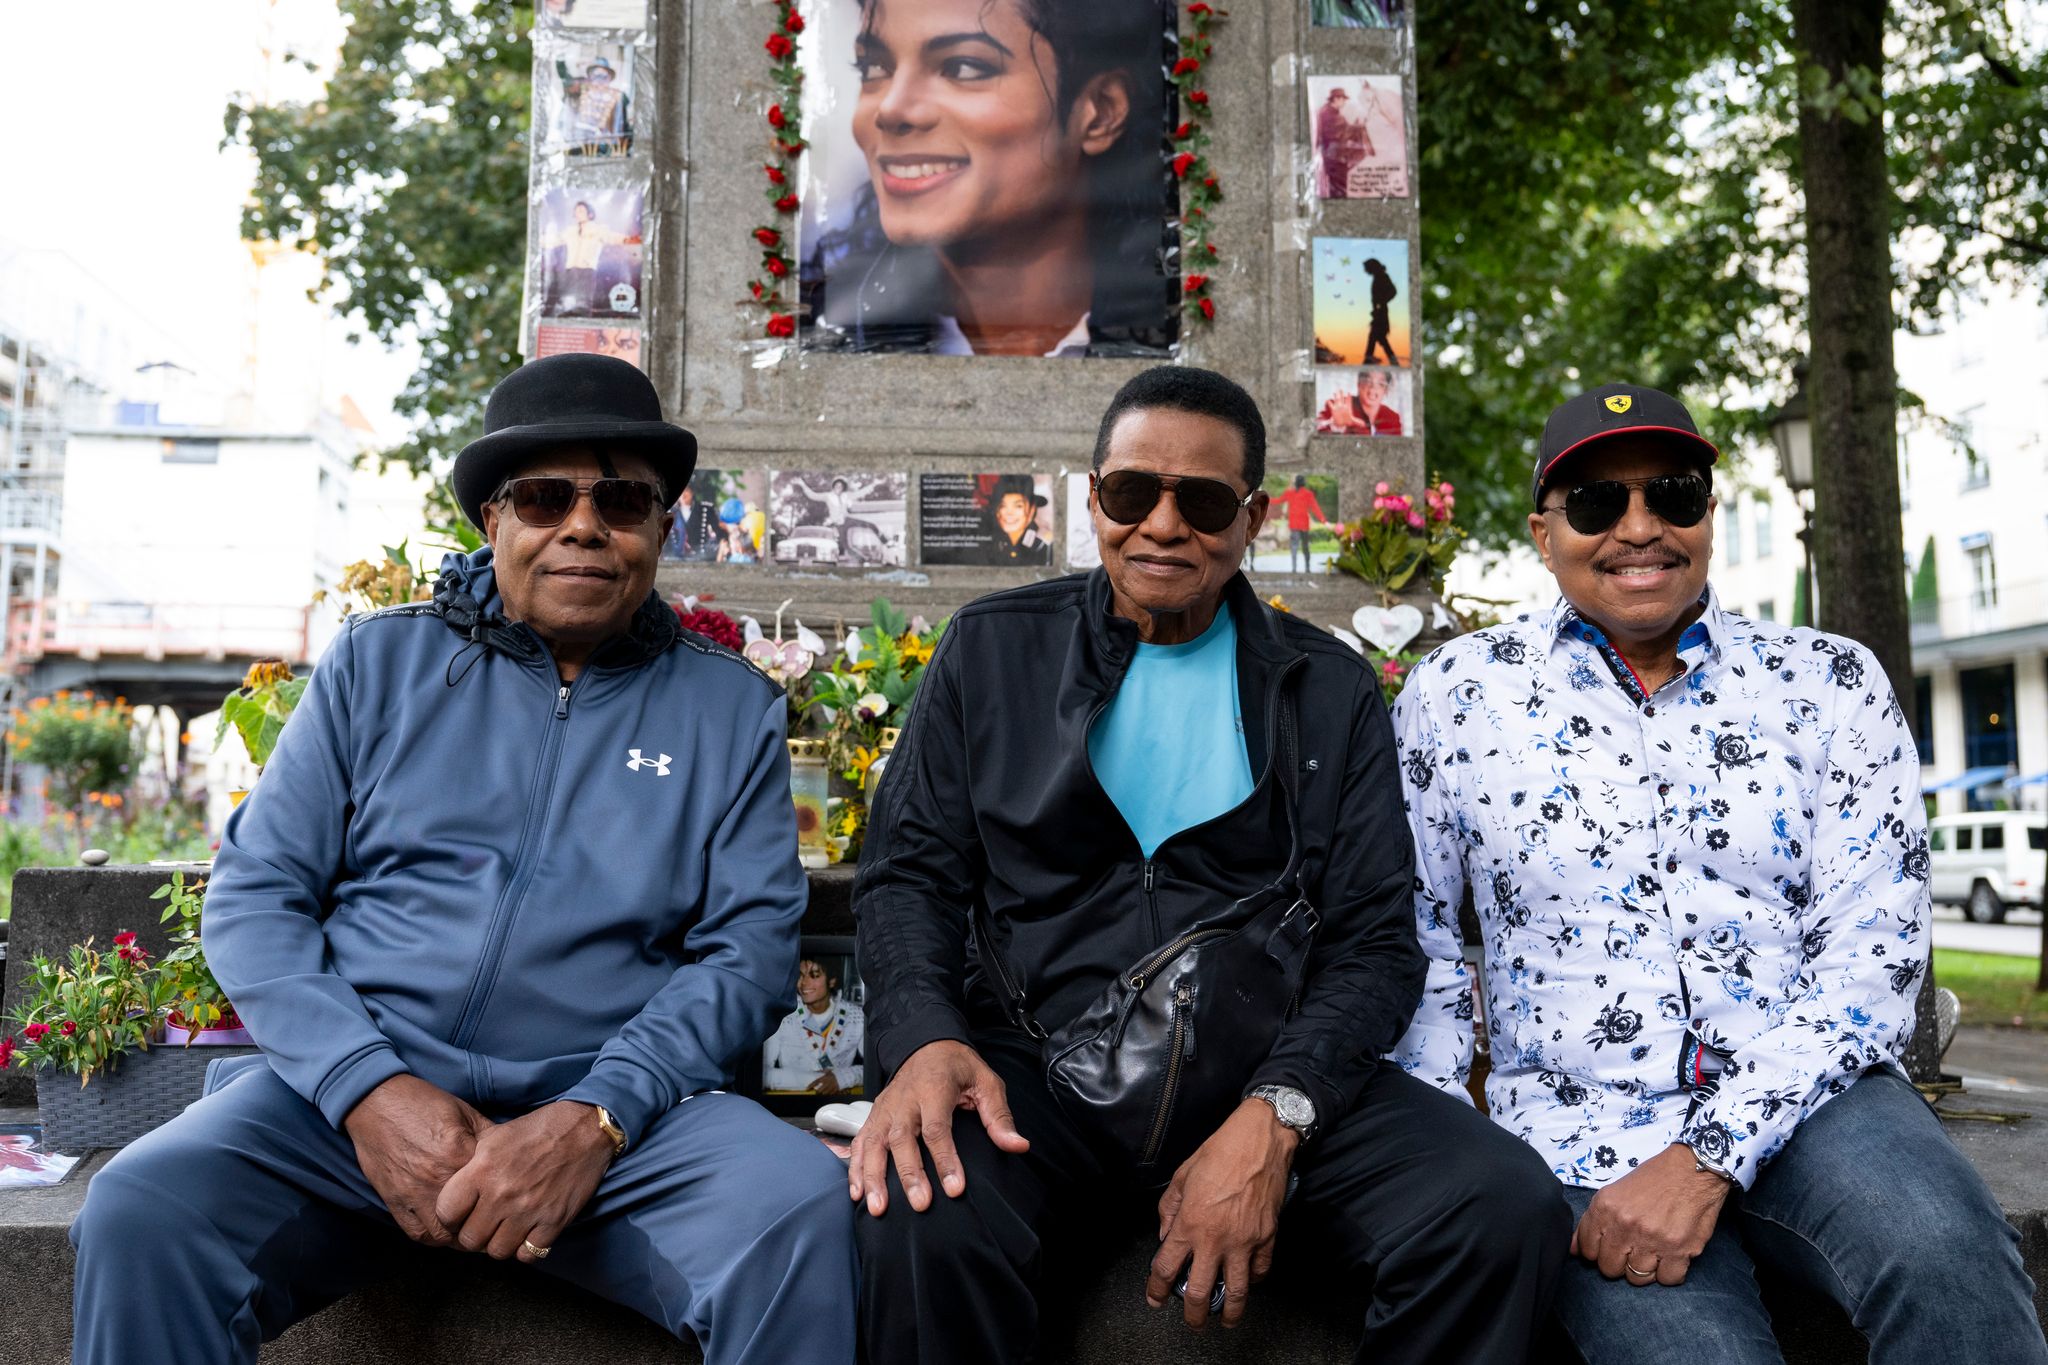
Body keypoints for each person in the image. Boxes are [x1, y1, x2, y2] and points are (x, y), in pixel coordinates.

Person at [69, 353, 856, 1365]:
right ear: (493, 521)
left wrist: (596, 1118)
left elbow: (747, 953)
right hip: (347, 1113)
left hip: (619, 1131)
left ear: (663, 527)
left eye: (621, 499)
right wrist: (366, 1089)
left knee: (800, 1218)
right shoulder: (378, 662)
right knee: (141, 1209)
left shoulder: (728, 706)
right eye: (542, 496)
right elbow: (258, 895)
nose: (583, 525)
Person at [851, 366, 1569, 1363]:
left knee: (1498, 1208)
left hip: (1252, 1069)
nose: (1160, 525)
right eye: (1130, 492)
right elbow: (907, 877)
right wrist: (924, 1040)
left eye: (1199, 501)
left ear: (1251, 516)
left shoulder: (1325, 685)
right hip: (1033, 1072)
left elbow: (1372, 943)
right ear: (1090, 494)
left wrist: (1274, 1117)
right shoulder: (990, 649)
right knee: (920, 1210)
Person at [1388, 381, 2048, 1365]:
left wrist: (1707, 1157)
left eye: (1673, 494)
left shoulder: (1829, 681)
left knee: (1946, 1259)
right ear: (1540, 532)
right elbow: (1417, 934)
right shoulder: (1456, 693)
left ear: (1709, 510)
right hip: (1581, 1124)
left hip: (1816, 1099)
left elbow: (1872, 957)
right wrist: (1446, 1157)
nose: (1638, 528)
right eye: (1596, 503)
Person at [800, 0, 1178, 357]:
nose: (891, 109)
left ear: (1101, 112)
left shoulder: (1186, 343)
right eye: (875, 69)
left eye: (963, 67)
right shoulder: (818, 332)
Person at [763, 958, 867, 1095]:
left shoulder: (856, 1016)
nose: (804, 983)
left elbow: (874, 1071)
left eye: (814, 975)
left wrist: (844, 1078)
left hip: (836, 1106)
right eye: (800, 975)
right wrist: (821, 1080)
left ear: (832, 981)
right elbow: (762, 1074)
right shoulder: (783, 1015)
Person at [542, 199, 633, 315]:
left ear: (589, 214)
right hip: (570, 270)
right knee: (567, 301)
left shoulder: (598, 230)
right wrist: (539, 240)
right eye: (576, 211)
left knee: (584, 303)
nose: (578, 213)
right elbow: (555, 240)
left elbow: (613, 237)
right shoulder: (570, 231)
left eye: (581, 210)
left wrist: (630, 239)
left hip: (587, 270)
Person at [556, 55, 631, 155]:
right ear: (590, 77)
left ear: (609, 78)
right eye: (596, 75)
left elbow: (619, 126)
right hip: (579, 144)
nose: (600, 80)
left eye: (604, 76)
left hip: (604, 147)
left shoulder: (617, 97)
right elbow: (566, 79)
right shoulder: (582, 90)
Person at [1266, 475, 1329, 574]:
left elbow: (1277, 501)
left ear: (1296, 483)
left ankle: (1294, 569)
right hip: (1304, 525)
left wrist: (1265, 499)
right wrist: (1324, 521)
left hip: (1294, 525)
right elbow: (1315, 508)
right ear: (1303, 483)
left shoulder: (1289, 493)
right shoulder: (1309, 494)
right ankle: (1307, 568)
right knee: (1305, 547)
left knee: (1294, 546)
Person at [985, 473, 1052, 565]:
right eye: (1002, 506)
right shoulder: (990, 541)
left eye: (1018, 506)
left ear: (1032, 510)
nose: (1009, 513)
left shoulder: (1044, 543)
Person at [1316, 368, 1402, 436]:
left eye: (1380, 384)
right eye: (1368, 381)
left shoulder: (1393, 418)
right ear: (1359, 384)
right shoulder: (1338, 406)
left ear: (1385, 390)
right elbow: (1316, 429)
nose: (1373, 388)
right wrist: (1337, 427)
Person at [1314, 87, 1359, 199]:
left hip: (1332, 156)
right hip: (1335, 158)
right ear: (1336, 99)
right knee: (1339, 190)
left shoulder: (1328, 112)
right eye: (1343, 99)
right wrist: (1357, 128)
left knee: (1337, 189)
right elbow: (1340, 133)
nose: (1344, 102)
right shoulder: (1329, 114)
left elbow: (1343, 129)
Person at [1360, 258, 1399, 365]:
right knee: (1380, 337)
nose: (1366, 270)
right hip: (1378, 312)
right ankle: (1391, 359)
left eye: (1366, 268)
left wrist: (1382, 302)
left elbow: (1393, 292)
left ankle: (1368, 359)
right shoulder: (1378, 277)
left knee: (1375, 336)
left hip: (1381, 312)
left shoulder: (1382, 277)